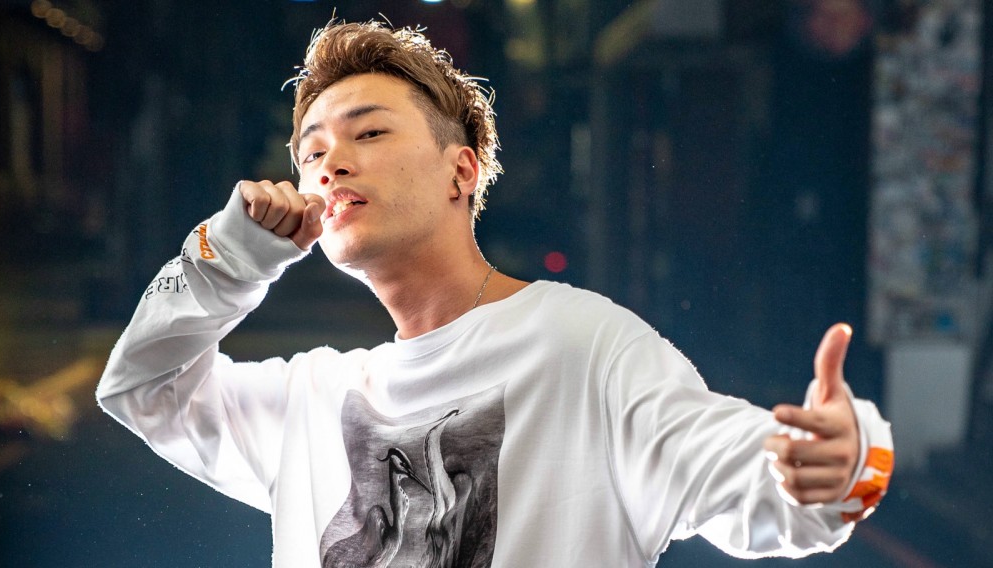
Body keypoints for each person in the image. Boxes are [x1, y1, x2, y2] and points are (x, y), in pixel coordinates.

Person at [97, 20, 893, 567]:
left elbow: (750, 478)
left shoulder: (581, 347)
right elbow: (142, 389)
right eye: (311, 153)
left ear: (462, 170)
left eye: (369, 132)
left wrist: (840, 458)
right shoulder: (315, 398)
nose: (329, 163)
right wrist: (228, 256)